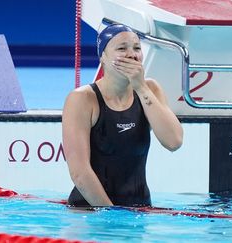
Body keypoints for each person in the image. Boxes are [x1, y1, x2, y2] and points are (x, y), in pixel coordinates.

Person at [62, 24, 183, 207]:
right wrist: (112, 216)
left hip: (138, 211)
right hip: (91, 212)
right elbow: (79, 172)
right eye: (121, 48)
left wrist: (140, 87)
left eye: (136, 48)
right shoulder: (83, 99)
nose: (131, 54)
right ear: (102, 56)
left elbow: (174, 142)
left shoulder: (150, 90)